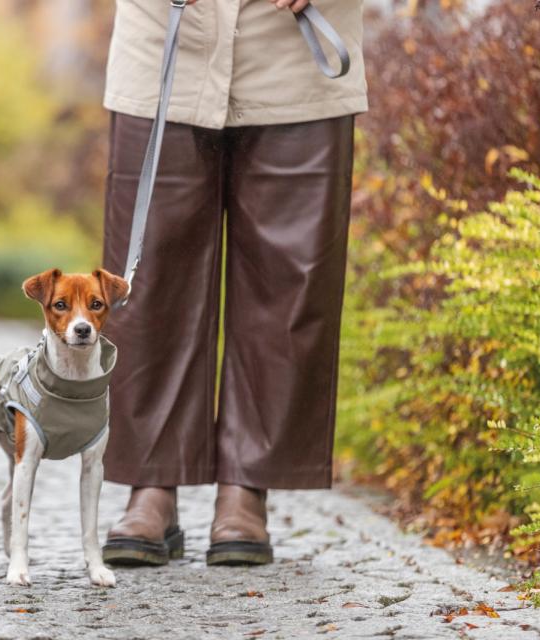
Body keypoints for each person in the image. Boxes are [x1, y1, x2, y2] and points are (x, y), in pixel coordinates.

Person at [99, 0, 368, 566]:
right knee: (149, 280)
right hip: (163, 40)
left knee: (288, 281)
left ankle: (247, 485)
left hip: (293, 51)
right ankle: (151, 482)